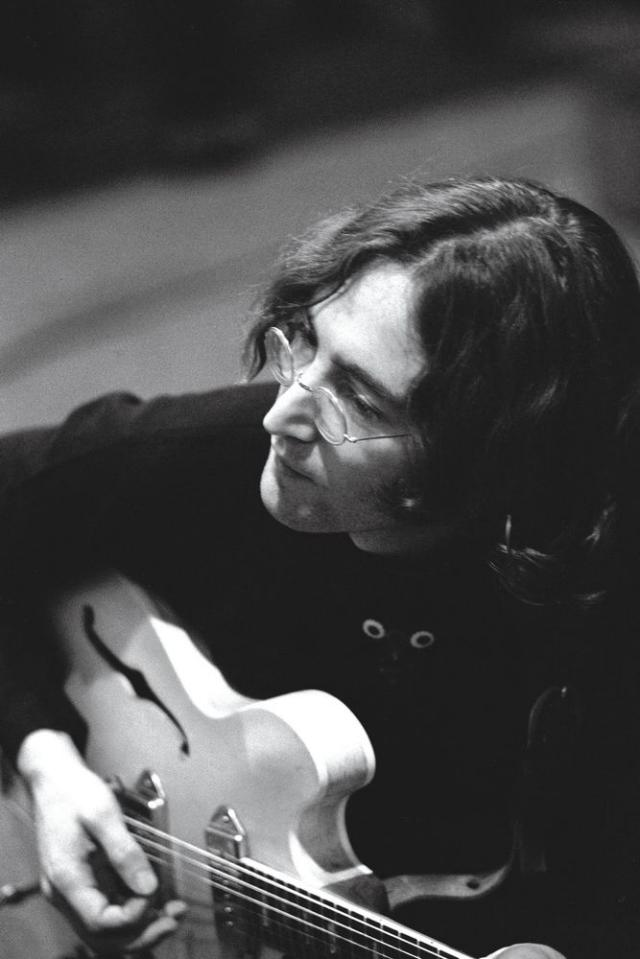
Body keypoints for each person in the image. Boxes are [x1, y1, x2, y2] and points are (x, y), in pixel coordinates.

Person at [2, 175, 640, 958]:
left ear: (488, 457)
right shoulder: (220, 456)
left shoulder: (605, 611)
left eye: (358, 400)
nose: (280, 413)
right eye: (303, 341)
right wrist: (44, 755)